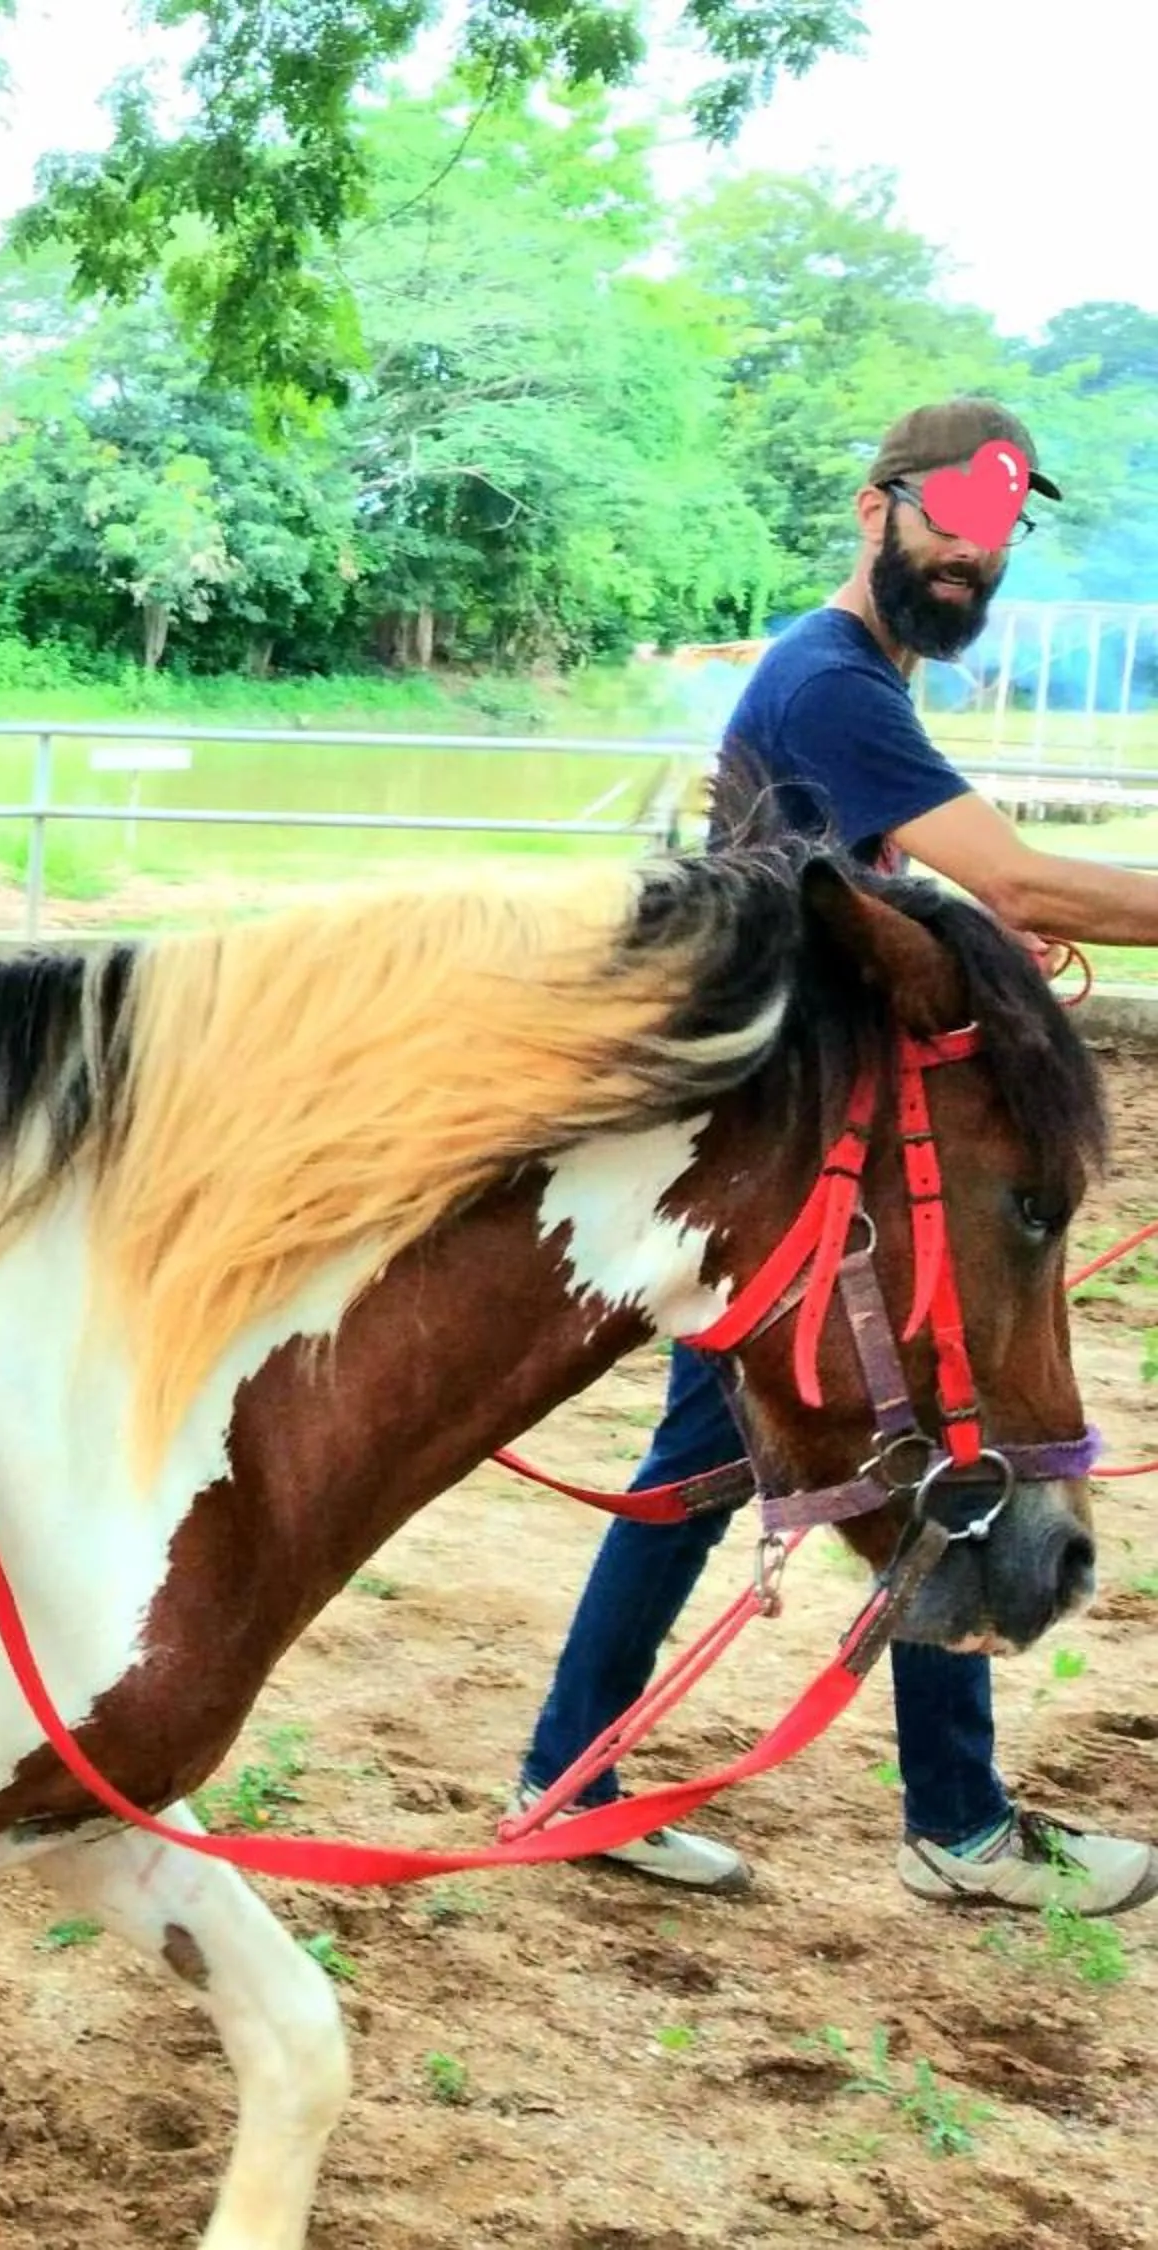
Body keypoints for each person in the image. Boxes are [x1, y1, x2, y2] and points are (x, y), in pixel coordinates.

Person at [510, 398, 1158, 1916]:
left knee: (760, 1460)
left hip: (788, 1148)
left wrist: (966, 947)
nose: (974, 554)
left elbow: (898, 901)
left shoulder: (858, 680)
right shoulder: (829, 682)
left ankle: (574, 1781)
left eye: (999, 533)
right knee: (929, 1417)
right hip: (789, 1160)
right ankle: (954, 1823)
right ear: (878, 512)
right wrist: (1002, 920)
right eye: (952, 521)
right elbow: (1010, 874)